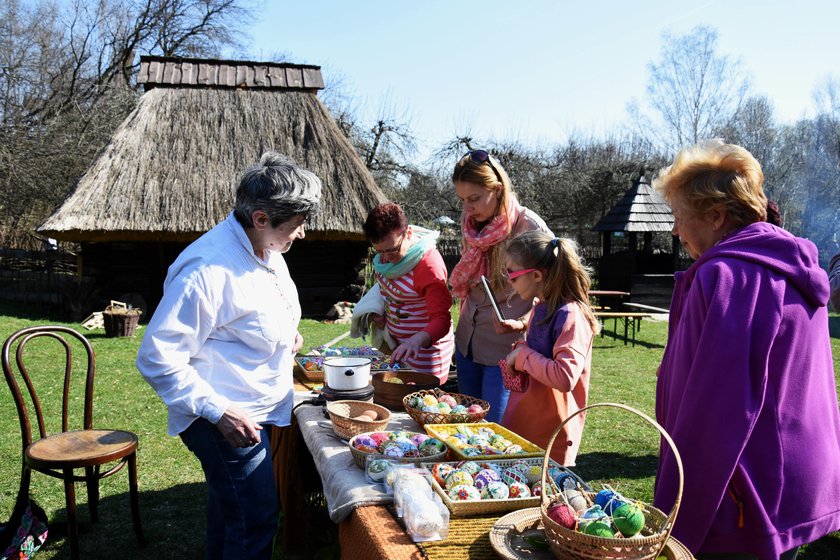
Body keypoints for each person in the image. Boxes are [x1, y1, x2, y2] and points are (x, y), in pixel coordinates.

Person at [652, 139, 840, 560]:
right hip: (799, 480)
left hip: (751, 490)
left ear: (716, 216)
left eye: (679, 218)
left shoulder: (729, 276)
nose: (676, 231)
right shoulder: (789, 266)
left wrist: (673, 515)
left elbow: (719, 410)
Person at [136, 152, 321, 559]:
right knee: (255, 517)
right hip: (222, 419)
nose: (302, 234)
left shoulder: (268, 250)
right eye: (297, 225)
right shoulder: (208, 270)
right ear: (260, 218)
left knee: (231, 509)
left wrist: (286, 337)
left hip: (255, 409)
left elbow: (257, 314)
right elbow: (156, 357)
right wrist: (219, 411)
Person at [450, 149, 552, 423]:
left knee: (494, 434)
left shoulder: (529, 228)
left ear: (497, 189)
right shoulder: (469, 224)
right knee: (465, 429)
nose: (467, 208)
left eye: (474, 199)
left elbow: (556, 292)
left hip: (507, 351)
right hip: (467, 344)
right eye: (462, 200)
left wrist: (521, 322)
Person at [499, 232, 599, 465]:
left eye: (511, 274)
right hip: (524, 427)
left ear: (535, 275)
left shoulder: (571, 316)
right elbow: (539, 355)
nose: (508, 281)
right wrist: (521, 349)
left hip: (550, 439)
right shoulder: (541, 307)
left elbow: (564, 378)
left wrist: (523, 356)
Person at [355, 202, 455, 382]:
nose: (385, 259)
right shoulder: (384, 259)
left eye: (391, 251)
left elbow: (442, 320)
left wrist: (416, 341)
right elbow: (388, 294)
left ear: (408, 233)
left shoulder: (428, 265)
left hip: (426, 353)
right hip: (398, 348)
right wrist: (381, 315)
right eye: (379, 252)